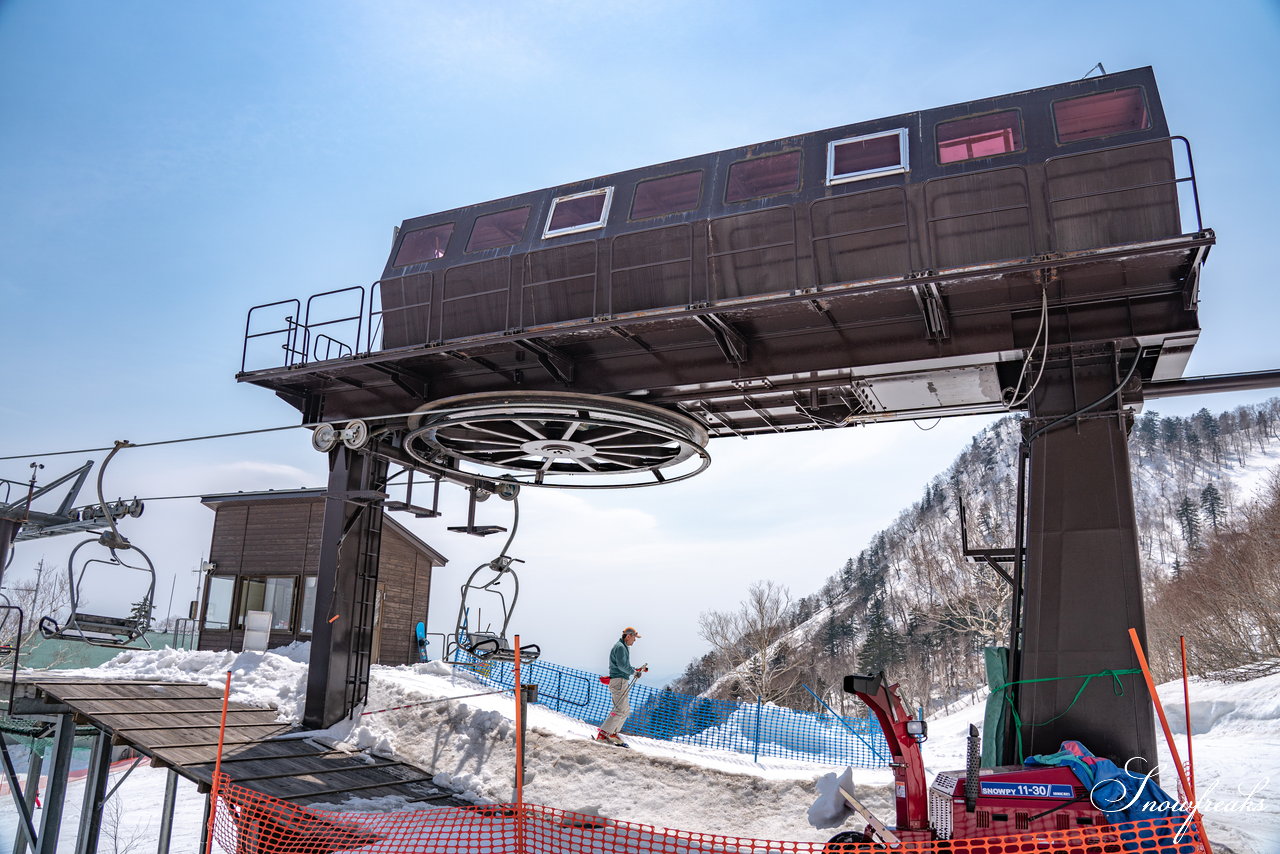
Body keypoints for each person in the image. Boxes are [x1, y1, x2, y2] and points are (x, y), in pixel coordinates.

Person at [598, 626, 647, 747]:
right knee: (620, 709)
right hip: (618, 681)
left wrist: (636, 670)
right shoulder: (620, 647)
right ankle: (603, 734)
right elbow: (621, 666)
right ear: (628, 636)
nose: (634, 641)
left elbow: (624, 666)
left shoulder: (623, 647)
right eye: (634, 638)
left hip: (621, 680)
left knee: (625, 710)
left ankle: (613, 732)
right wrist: (634, 672)